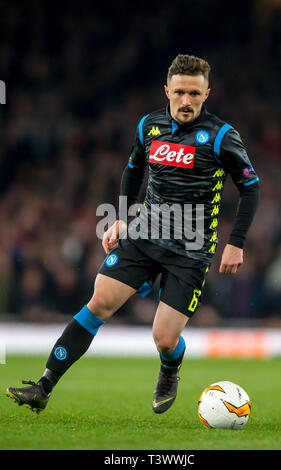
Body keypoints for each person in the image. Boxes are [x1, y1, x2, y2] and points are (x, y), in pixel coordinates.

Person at [6, 54, 260, 414]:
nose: (186, 101)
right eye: (179, 92)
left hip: (190, 248)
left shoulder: (221, 136)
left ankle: (170, 367)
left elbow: (250, 187)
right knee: (99, 303)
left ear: (207, 94)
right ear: (167, 90)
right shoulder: (149, 127)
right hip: (144, 235)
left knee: (164, 338)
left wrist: (236, 243)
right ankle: (44, 386)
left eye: (194, 93)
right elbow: (133, 170)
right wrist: (123, 218)